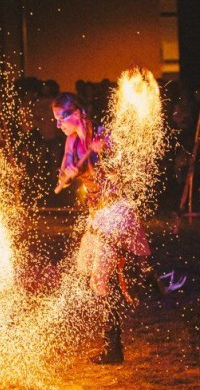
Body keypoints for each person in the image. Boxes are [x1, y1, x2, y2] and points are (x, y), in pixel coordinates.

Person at [52, 92, 152, 364]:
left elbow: (122, 171)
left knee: (100, 278)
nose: (58, 124)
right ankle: (134, 283)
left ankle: (113, 347)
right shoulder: (72, 142)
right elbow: (62, 177)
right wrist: (69, 172)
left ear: (74, 115)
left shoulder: (102, 134)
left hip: (116, 212)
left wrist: (104, 154)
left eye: (60, 118)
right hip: (97, 215)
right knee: (95, 277)